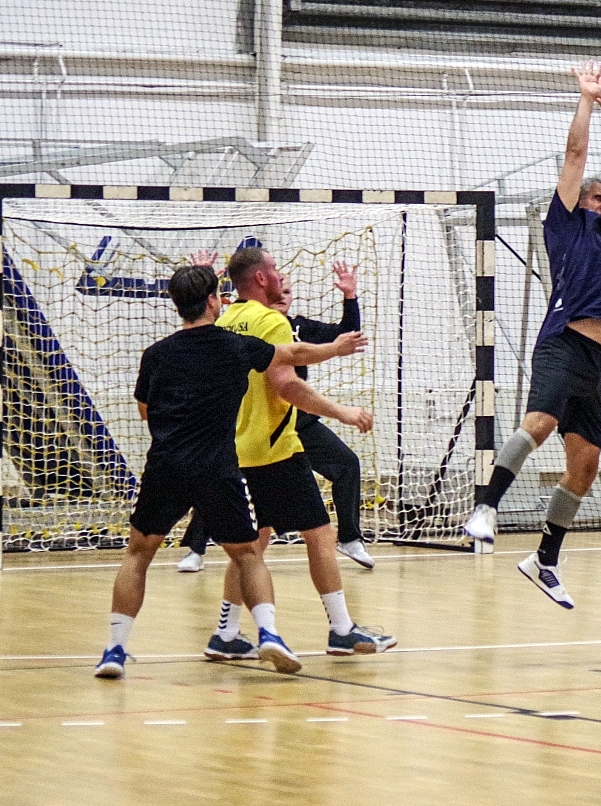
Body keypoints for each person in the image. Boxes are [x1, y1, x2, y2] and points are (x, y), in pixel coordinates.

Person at [96, 264, 365, 678]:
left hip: (165, 466)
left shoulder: (156, 354)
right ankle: (269, 634)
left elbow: (146, 411)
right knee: (247, 555)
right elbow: (293, 355)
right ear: (211, 301)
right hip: (217, 468)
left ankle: (114, 651)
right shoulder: (235, 347)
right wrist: (336, 347)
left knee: (138, 554)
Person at [462, 62, 601, 607]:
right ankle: (486, 507)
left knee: (585, 466)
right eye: (598, 200)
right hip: (564, 343)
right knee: (539, 422)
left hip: (596, 363)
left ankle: (544, 560)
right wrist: (587, 100)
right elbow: (577, 156)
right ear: (579, 202)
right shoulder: (566, 224)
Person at [208, 244, 393, 660]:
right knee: (320, 534)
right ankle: (342, 630)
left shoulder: (226, 319)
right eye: (275, 268)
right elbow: (287, 385)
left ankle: (226, 633)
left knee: (251, 545)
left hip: (235, 448)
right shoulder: (270, 321)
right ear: (261, 278)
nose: (280, 275)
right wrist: (342, 412)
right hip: (274, 448)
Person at [176, 259, 372, 572]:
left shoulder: (296, 326)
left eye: (289, 290)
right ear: (262, 283)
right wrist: (205, 278)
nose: (283, 294)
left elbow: (346, 336)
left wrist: (350, 296)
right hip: (260, 424)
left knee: (346, 463)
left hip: (296, 417)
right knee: (235, 491)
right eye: (279, 284)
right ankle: (196, 549)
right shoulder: (241, 322)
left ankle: (349, 538)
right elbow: (285, 378)